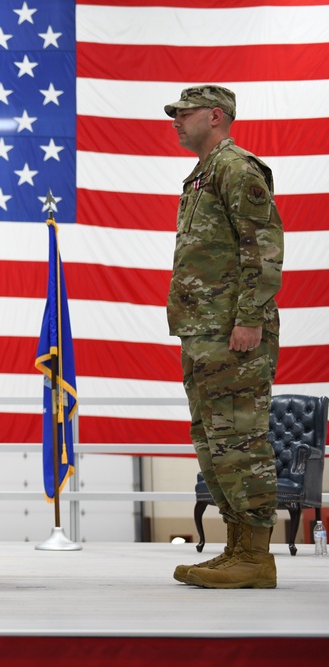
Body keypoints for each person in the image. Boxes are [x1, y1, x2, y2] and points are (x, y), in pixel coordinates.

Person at [165, 86, 284, 589]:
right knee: (214, 440)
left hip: (232, 330)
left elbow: (264, 245)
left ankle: (258, 556)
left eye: (184, 114)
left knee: (241, 438)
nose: (175, 121)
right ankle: (237, 545)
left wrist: (250, 317)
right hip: (204, 331)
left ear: (215, 116)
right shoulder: (203, 174)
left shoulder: (236, 168)